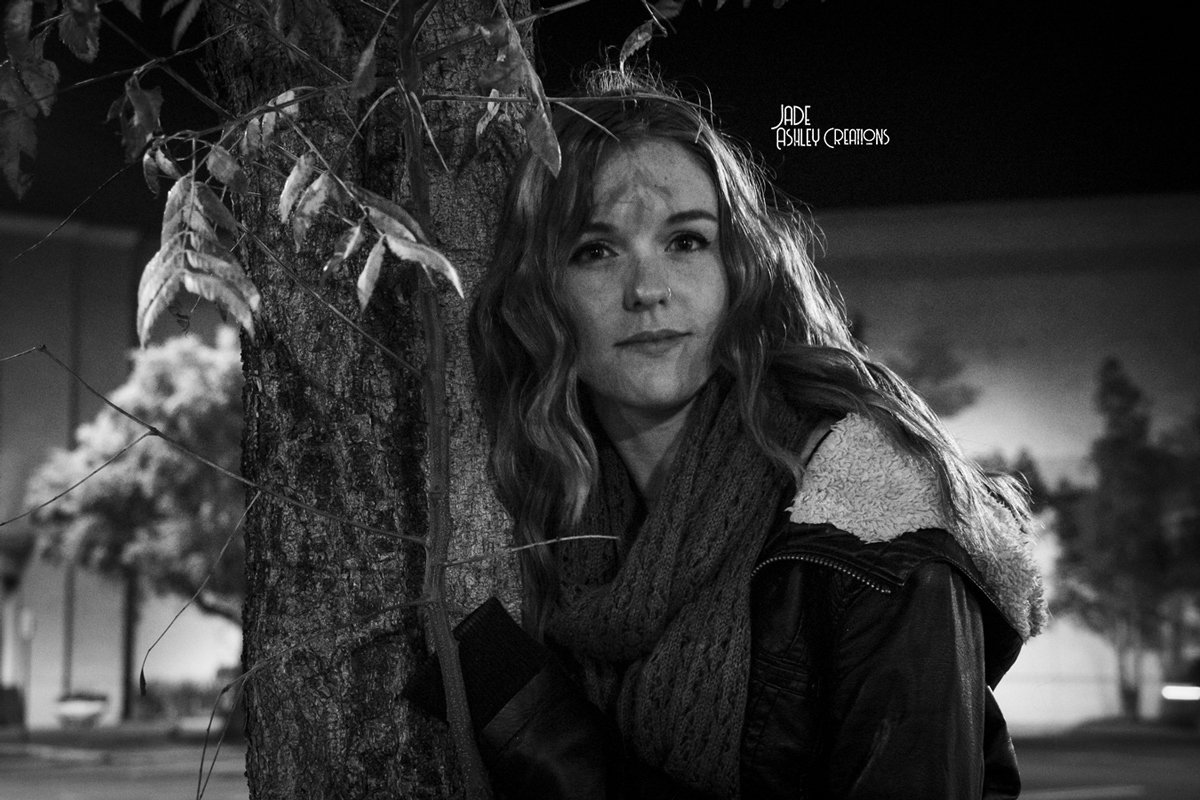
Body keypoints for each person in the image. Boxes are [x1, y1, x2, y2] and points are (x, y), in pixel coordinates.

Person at [411, 67, 1047, 799]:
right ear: (542, 295)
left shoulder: (875, 521)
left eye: (686, 242)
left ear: (738, 272)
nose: (648, 290)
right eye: (596, 250)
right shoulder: (559, 522)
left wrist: (539, 735)